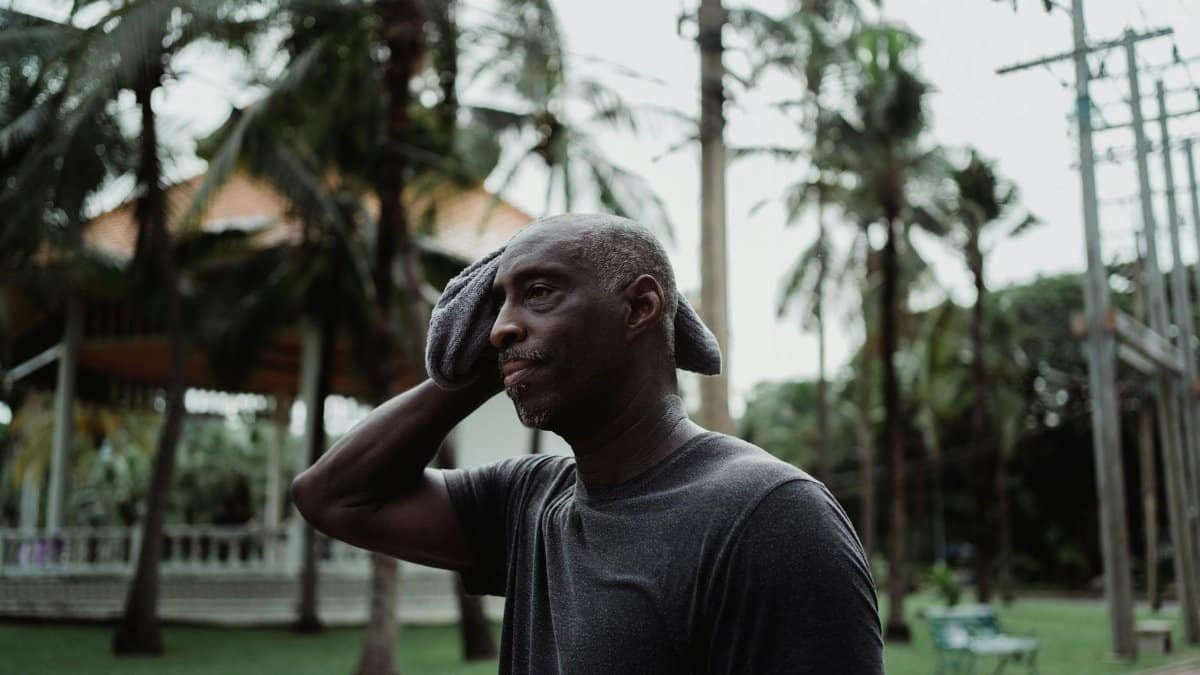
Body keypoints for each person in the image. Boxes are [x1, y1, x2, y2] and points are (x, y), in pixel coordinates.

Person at [291, 214, 883, 674]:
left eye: (541, 291)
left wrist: (522, 343)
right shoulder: (531, 502)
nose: (498, 326)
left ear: (640, 308)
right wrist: (482, 362)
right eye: (497, 304)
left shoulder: (768, 517)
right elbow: (335, 497)